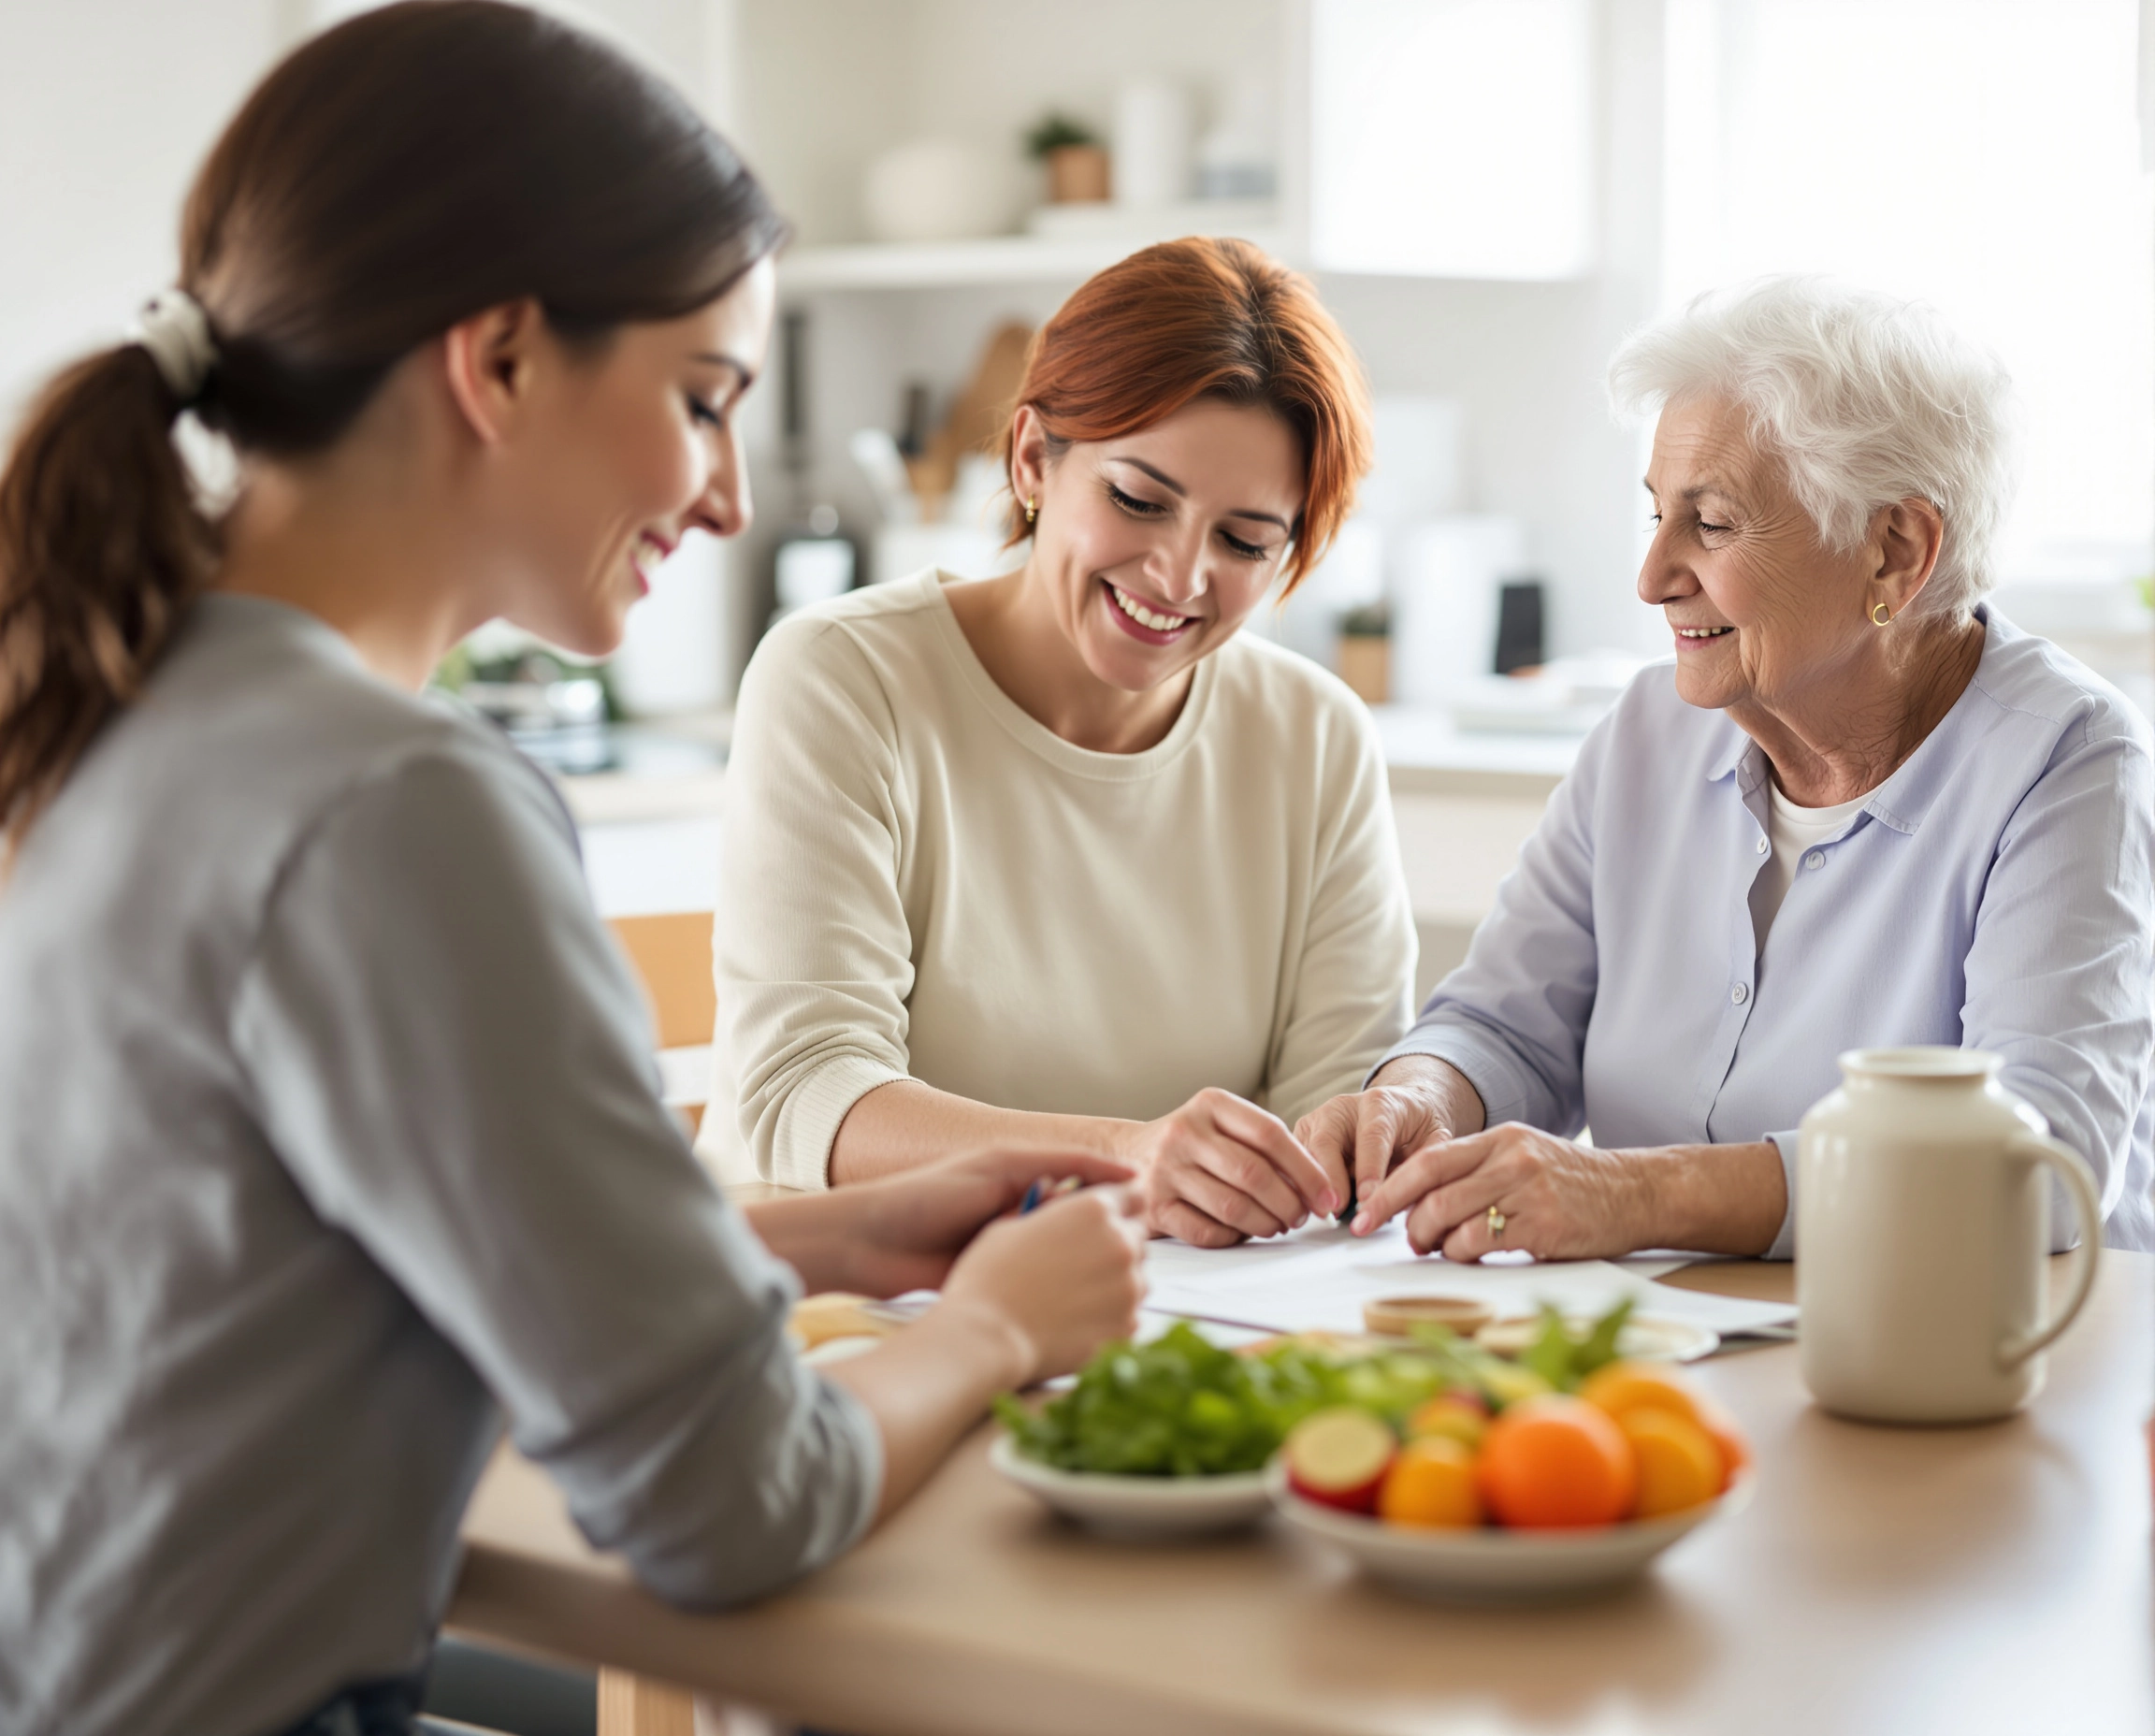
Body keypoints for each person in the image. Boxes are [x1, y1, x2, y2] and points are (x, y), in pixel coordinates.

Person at [0, 9, 1148, 1736]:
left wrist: (814, 1238)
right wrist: (992, 1328)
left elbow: (288, 1255)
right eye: (703, 399)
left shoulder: (110, 707)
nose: (731, 497)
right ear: (503, 360)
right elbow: (728, 1504)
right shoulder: (398, 803)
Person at [1302, 276, 2155, 1262]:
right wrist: (1419, 1096)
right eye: (1657, 513)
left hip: (1985, 1364)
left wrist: (1639, 1193)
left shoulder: (2066, 760)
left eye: (1709, 523)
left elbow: (2038, 1163)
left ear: (1895, 551)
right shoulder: (1645, 731)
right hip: (1684, 1345)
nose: (1652, 576)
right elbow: (1504, 1024)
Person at [703, 238, 1418, 1248]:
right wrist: (1129, 1157)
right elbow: (805, 1087)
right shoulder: (844, 677)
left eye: (1246, 540)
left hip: (1181, 1312)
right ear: (1035, 457)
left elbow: (1335, 1102)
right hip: (856, 1305)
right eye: (1138, 499)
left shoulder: (1315, 735)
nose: (1179, 575)